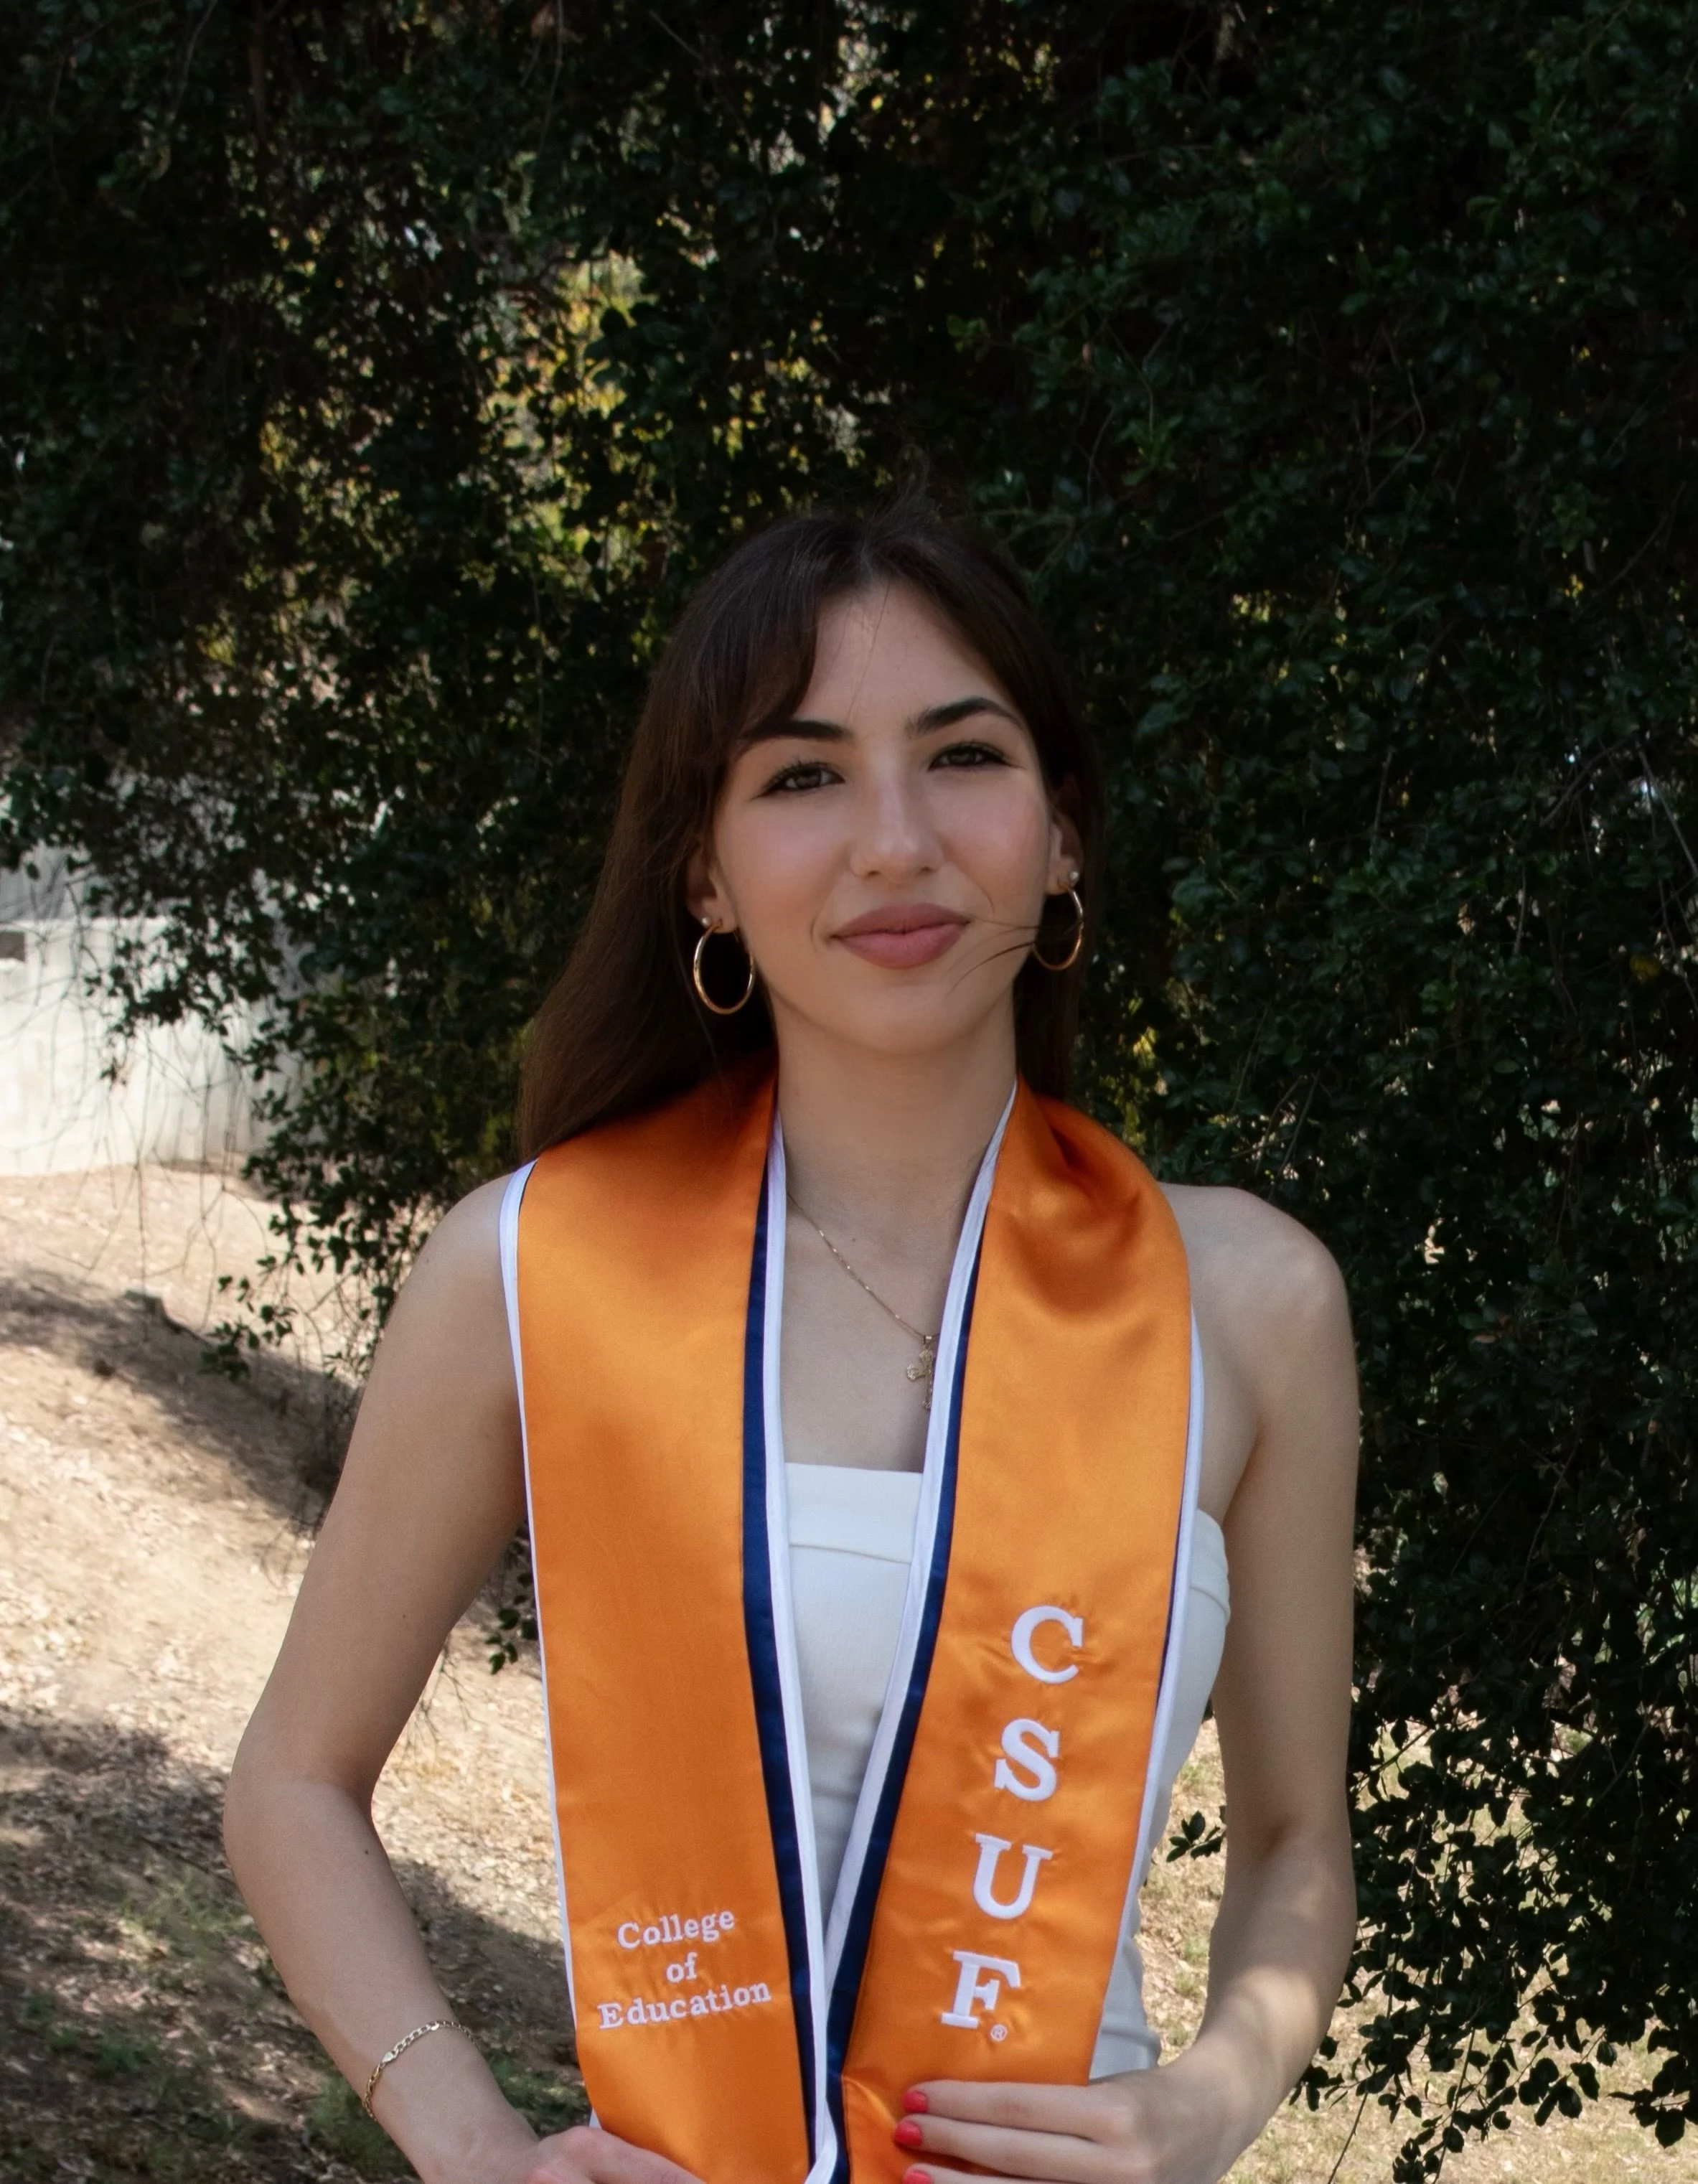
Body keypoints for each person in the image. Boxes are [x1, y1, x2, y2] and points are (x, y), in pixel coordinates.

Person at [224, 502, 1359, 2184]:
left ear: (1060, 837)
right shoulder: (535, 1269)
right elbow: (291, 1786)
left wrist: (1204, 2101)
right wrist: (473, 2148)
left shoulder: (1247, 1301)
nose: (893, 842)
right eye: (803, 775)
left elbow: (1290, 1843)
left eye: (963, 757)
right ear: (705, 868)